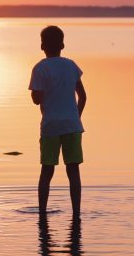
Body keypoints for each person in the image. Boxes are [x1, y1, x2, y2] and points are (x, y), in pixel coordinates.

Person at [29, 25, 87, 216]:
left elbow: (36, 99)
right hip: (72, 125)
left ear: (41, 45)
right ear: (63, 44)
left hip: (51, 127)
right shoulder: (71, 65)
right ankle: (76, 213)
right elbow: (83, 96)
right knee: (73, 172)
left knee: (47, 172)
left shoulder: (40, 68)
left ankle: (42, 213)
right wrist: (74, 117)